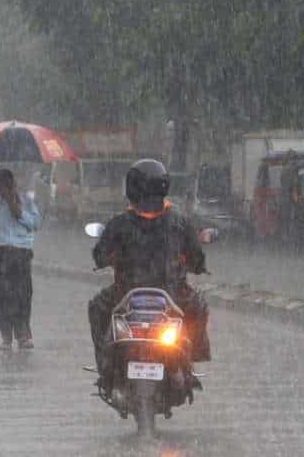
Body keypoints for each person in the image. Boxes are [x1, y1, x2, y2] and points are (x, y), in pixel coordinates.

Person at [87, 159, 211, 390]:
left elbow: (100, 256)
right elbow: (197, 259)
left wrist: (108, 259)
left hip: (125, 294)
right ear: (164, 186)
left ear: (131, 188)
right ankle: (190, 362)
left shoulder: (119, 223)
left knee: (96, 308)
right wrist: (196, 265)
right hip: (174, 294)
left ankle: (105, 364)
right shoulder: (179, 222)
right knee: (199, 307)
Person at [0, 168, 41, 351]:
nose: (3, 189)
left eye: (6, 185)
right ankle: (6, 335)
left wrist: (18, 212)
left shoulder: (26, 201)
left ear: (12, 185)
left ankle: (23, 334)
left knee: (22, 295)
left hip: (21, 254)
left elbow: (35, 224)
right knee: (0, 296)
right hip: (0, 254)